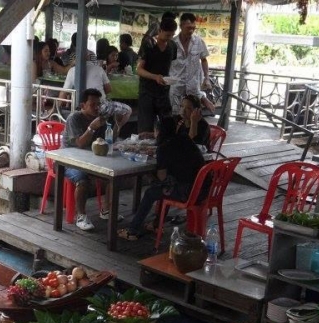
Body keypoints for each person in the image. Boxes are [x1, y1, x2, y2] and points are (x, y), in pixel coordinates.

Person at [118, 95, 211, 240]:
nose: (184, 111)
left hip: (190, 192)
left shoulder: (164, 148)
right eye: (182, 107)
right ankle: (156, 223)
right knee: (159, 187)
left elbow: (162, 177)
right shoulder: (184, 139)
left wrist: (157, 171)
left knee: (152, 191)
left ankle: (132, 231)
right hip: (203, 188)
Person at [62, 89, 124, 231]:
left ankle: (107, 211)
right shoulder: (74, 118)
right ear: (83, 105)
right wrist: (91, 128)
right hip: (69, 161)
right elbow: (79, 143)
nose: (97, 107)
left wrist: (118, 125)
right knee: (82, 179)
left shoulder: (101, 118)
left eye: (99, 104)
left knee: (113, 176)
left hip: (91, 159)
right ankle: (81, 215)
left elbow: (109, 141)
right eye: (93, 104)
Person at [60, 54, 132, 137]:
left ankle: (112, 133)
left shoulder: (72, 70)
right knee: (128, 110)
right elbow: (108, 89)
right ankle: (116, 131)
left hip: (81, 106)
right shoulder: (99, 69)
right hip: (101, 106)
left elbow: (63, 94)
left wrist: (56, 108)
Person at [136, 18, 178, 136]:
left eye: (172, 35)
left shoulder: (172, 46)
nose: (169, 38)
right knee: (146, 129)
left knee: (167, 126)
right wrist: (155, 77)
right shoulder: (148, 44)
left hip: (163, 92)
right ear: (159, 31)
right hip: (147, 92)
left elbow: (170, 66)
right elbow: (139, 70)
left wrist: (171, 78)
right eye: (167, 35)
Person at [169, 13, 215, 115]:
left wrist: (207, 78)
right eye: (188, 28)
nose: (191, 31)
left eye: (193, 28)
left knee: (194, 113)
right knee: (176, 113)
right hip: (176, 85)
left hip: (193, 85)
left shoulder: (198, 41)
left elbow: (204, 60)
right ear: (181, 26)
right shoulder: (172, 43)